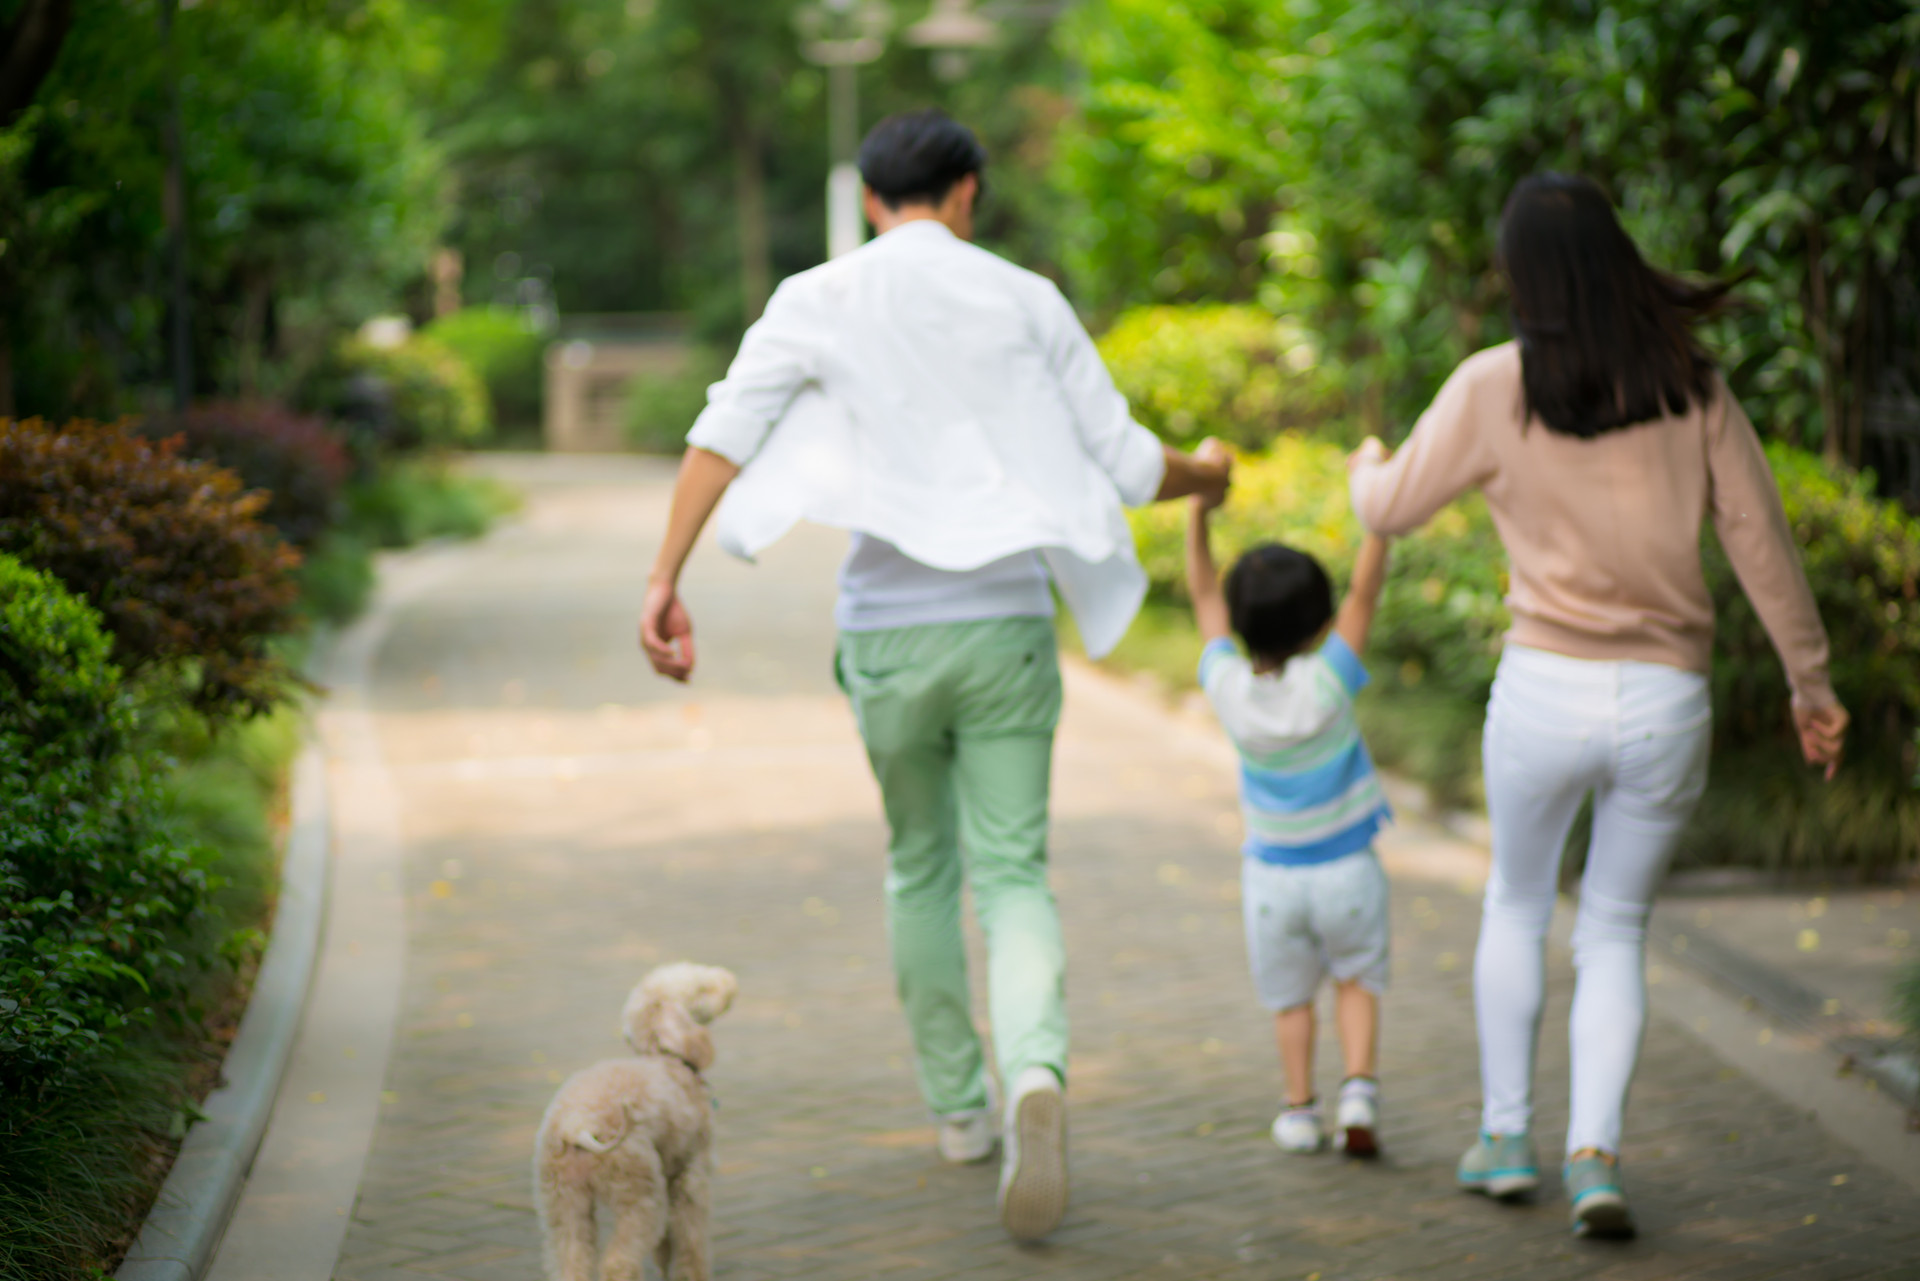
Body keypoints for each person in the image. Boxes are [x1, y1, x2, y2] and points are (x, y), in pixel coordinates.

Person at [636, 109, 1231, 1242]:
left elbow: (723, 432)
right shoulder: (1025, 297)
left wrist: (664, 574)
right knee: (1014, 876)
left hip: (888, 637)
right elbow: (1128, 462)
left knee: (920, 868)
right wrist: (1210, 478)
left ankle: (959, 1110)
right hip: (1004, 626)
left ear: (871, 201)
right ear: (967, 193)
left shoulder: (820, 296)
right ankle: (1036, 1078)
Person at [1347, 173, 1849, 1239]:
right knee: (1615, 930)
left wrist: (1365, 469)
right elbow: (1760, 541)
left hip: (1543, 692)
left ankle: (1505, 1137)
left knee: (1518, 907)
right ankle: (1596, 1158)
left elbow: (1390, 509)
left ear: (1520, 275)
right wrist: (1811, 682)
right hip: (1667, 702)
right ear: (1618, 257)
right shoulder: (1691, 383)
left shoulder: (1494, 386)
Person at [1182, 438, 1395, 1159]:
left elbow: (1205, 594)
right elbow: (1367, 592)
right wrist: (1380, 508)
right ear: (1319, 621)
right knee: (1356, 978)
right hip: (1349, 872)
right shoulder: (1330, 681)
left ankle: (1300, 1108)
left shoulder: (1231, 692)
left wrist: (1197, 509)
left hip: (1272, 878)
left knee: (1291, 999)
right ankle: (1359, 1089)